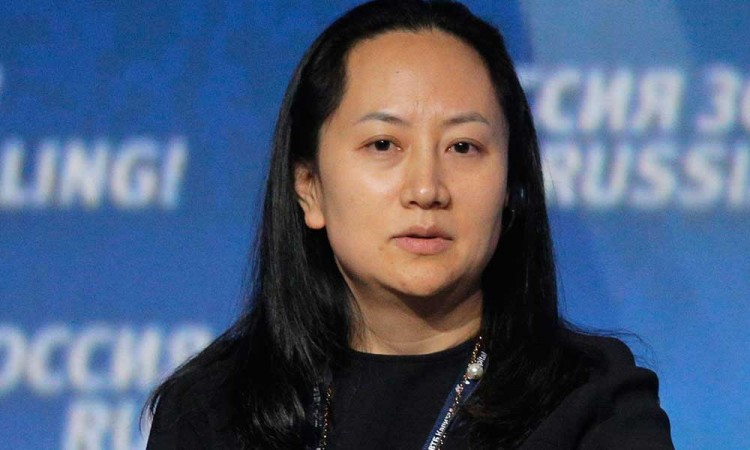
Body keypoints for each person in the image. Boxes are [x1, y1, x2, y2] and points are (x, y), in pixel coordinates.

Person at [145, 1, 674, 448]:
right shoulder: (213, 409)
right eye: (383, 144)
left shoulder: (592, 403)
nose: (426, 189)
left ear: (511, 187)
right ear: (309, 188)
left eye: (463, 147)